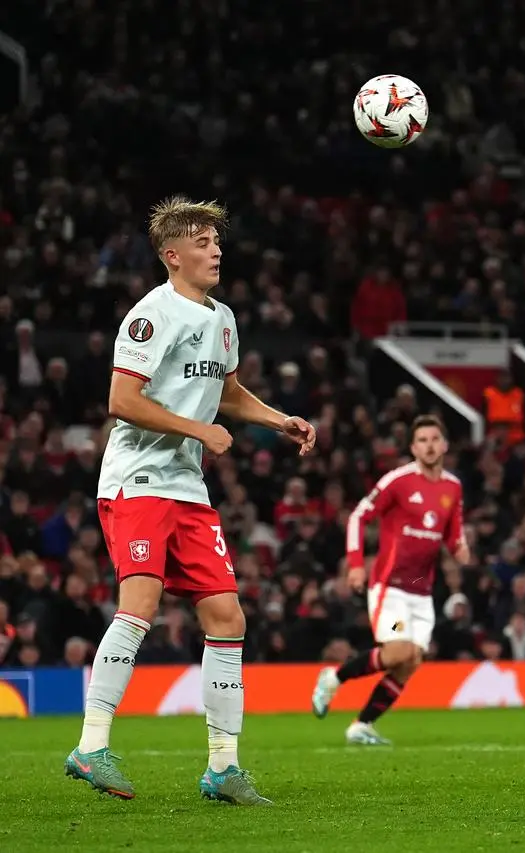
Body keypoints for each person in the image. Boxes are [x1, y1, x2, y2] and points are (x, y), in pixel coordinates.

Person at [66, 197, 316, 803]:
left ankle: (223, 768)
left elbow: (227, 393)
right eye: (204, 244)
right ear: (172, 256)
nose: (217, 252)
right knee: (141, 602)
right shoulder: (150, 316)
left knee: (228, 616)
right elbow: (122, 401)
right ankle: (91, 746)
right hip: (138, 480)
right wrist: (198, 430)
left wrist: (278, 420)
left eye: (218, 243)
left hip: (188, 488)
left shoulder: (222, 318)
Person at [310, 414, 470, 744]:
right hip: (391, 589)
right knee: (398, 651)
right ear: (413, 447)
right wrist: (355, 564)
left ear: (445, 445)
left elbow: (452, 533)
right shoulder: (398, 481)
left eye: (434, 439)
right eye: (422, 440)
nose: (429, 445)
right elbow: (358, 516)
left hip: (422, 593)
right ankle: (334, 677)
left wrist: (460, 547)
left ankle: (362, 725)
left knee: (410, 661)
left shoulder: (452, 487)